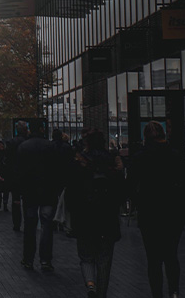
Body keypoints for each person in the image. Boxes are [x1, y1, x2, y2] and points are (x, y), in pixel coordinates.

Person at [127, 121, 185, 298]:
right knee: (171, 255)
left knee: (153, 259)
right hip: (173, 212)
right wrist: (181, 197)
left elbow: (130, 186)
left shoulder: (139, 158)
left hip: (149, 213)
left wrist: (139, 202)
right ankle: (174, 292)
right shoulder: (175, 156)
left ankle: (157, 294)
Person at [65, 128, 125, 298]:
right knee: (105, 259)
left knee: (86, 256)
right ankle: (101, 293)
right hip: (107, 217)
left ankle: (90, 283)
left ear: (87, 143)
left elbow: (71, 191)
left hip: (85, 217)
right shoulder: (113, 162)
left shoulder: (79, 162)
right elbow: (121, 191)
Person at [17, 119, 63, 272]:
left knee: (29, 226)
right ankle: (45, 260)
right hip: (48, 192)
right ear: (42, 130)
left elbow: (20, 171)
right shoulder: (51, 147)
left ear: (30, 130)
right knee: (47, 226)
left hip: (30, 192)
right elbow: (57, 169)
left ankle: (28, 259)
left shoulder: (23, 147)